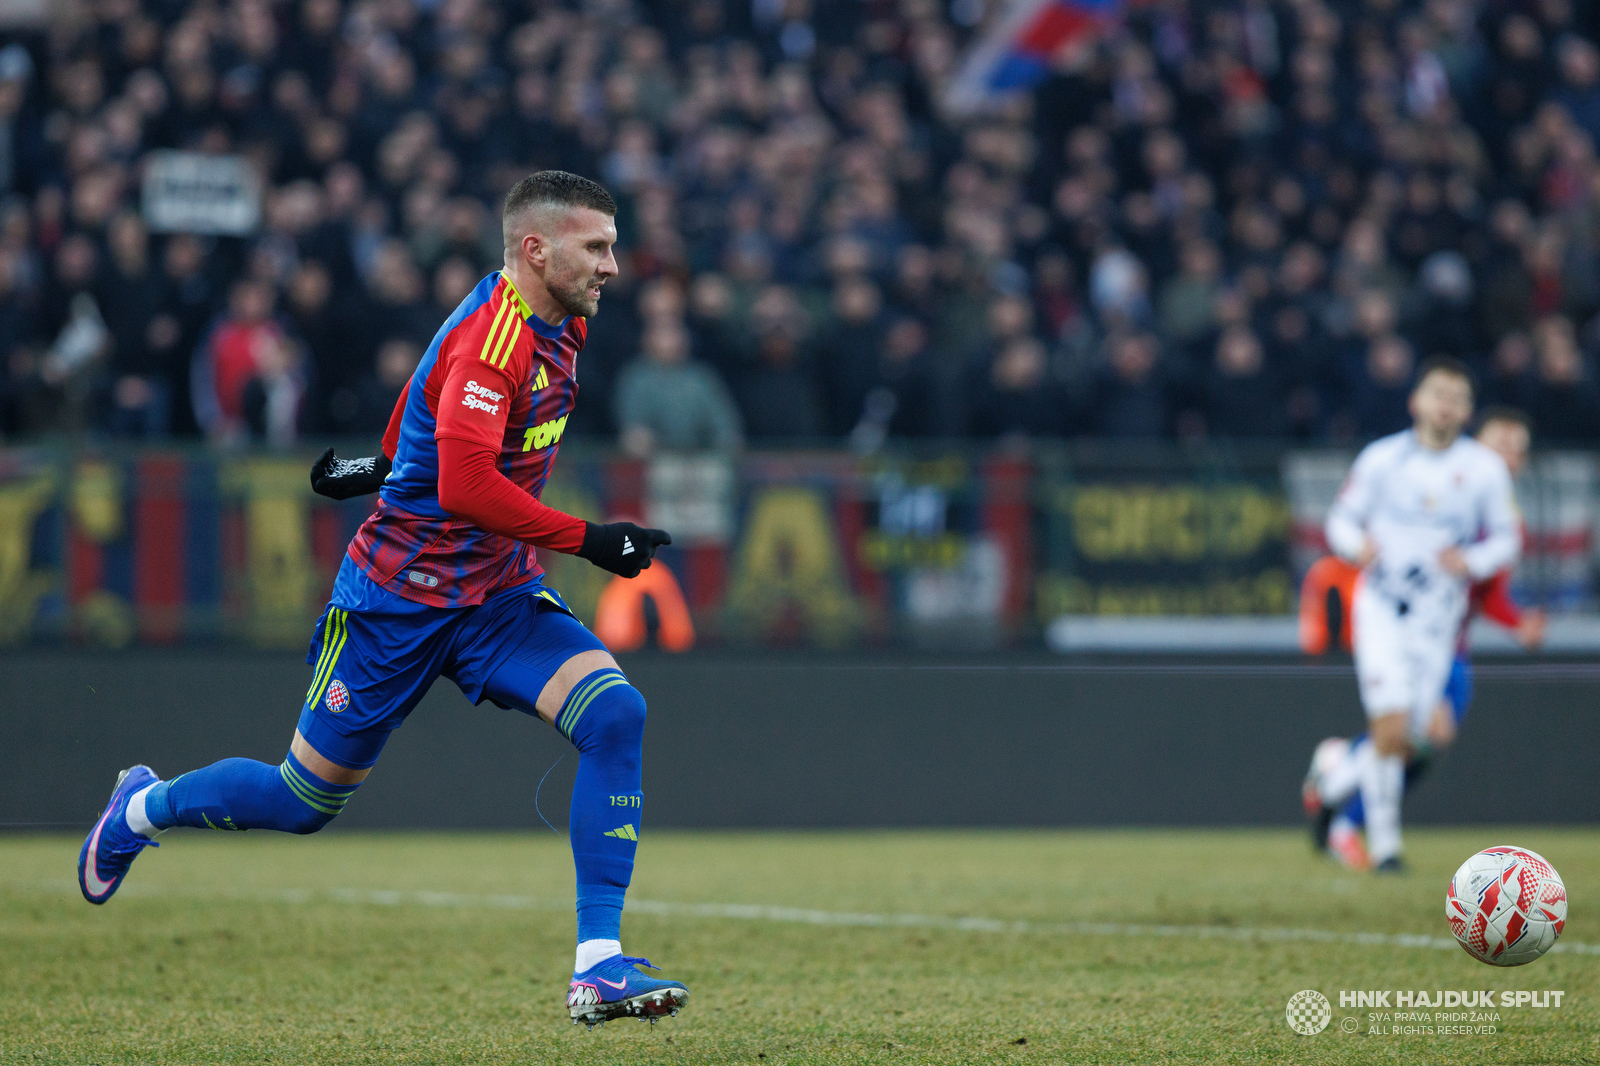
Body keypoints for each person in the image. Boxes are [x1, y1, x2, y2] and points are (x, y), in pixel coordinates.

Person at [76, 171, 690, 1029]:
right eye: (598, 247)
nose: (613, 266)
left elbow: (430, 413)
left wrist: (380, 466)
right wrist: (594, 540)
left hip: (494, 598)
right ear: (535, 250)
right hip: (394, 605)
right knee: (302, 802)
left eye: (612, 246)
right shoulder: (495, 339)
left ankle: (599, 965)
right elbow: (473, 484)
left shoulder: (556, 323)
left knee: (616, 714)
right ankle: (141, 805)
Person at [1300, 358, 1520, 874]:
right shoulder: (1383, 460)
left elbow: (1508, 538)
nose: (1445, 405)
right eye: (1437, 394)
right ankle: (1386, 848)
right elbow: (1340, 520)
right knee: (1391, 726)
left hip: (1438, 620)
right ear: (1415, 401)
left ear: (1466, 410)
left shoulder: (1483, 469)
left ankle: (1333, 777)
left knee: (1413, 738)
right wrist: (1357, 546)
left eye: (1456, 397)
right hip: (1382, 611)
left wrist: (1473, 560)